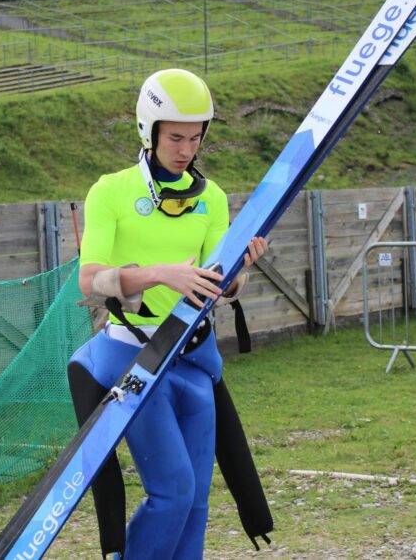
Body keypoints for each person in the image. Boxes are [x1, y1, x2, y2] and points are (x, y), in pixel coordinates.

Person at [68, 68, 273, 560]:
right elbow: (89, 278)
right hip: (132, 355)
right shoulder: (111, 191)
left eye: (196, 138)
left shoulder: (214, 199)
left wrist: (241, 269)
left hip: (193, 355)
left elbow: (221, 284)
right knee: (173, 492)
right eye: (176, 136)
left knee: (197, 502)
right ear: (149, 130)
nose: (186, 149)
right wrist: (161, 274)